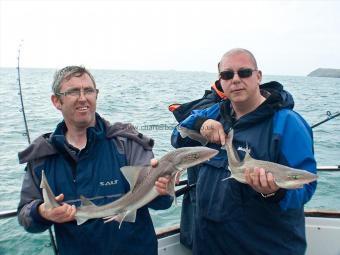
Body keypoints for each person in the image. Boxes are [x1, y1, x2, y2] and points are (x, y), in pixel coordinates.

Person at [171, 48, 317, 255]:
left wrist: (274, 193)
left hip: (263, 246)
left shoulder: (288, 124)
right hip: (208, 242)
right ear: (220, 81)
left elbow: (307, 186)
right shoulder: (214, 113)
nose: (236, 80)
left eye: (244, 72)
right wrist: (201, 124)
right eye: (227, 75)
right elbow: (177, 137)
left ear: (258, 76)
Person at [17, 66, 173, 255]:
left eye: (89, 90)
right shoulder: (42, 157)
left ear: (96, 95)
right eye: (73, 91)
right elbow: (26, 218)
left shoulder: (128, 144)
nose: (83, 98)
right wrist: (42, 212)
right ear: (56, 101)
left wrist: (163, 189)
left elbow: (162, 204)